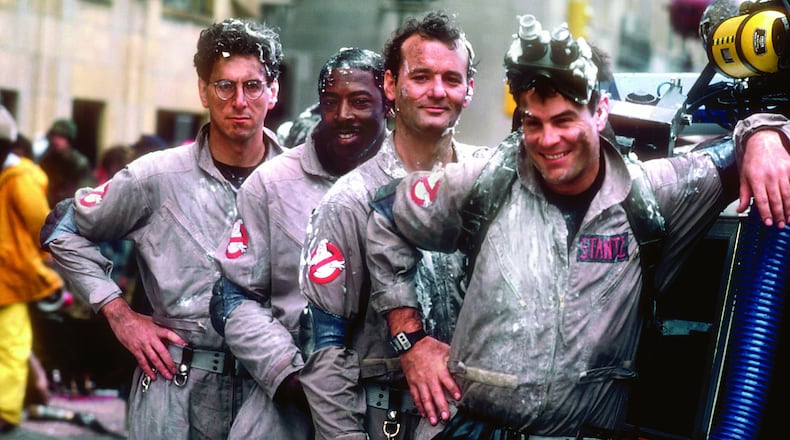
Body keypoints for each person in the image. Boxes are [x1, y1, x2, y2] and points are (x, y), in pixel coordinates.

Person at [364, 14, 790, 439]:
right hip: (470, 429)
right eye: (534, 123)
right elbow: (385, 215)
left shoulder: (653, 195)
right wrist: (411, 341)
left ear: (601, 112)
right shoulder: (484, 182)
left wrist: (762, 132)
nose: (548, 140)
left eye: (564, 120)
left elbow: (743, 151)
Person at [40, 18, 287, 439]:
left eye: (253, 86)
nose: (239, 101)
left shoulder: (297, 182)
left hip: (271, 397)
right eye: (224, 86)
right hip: (175, 390)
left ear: (274, 91)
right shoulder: (156, 176)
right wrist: (119, 314)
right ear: (203, 91)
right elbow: (62, 227)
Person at [298, 10, 488, 440]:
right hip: (387, 424)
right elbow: (324, 347)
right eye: (420, 76)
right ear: (390, 84)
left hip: (477, 423)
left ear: (469, 89)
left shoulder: (490, 181)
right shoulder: (350, 201)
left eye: (451, 79)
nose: (437, 91)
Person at [212, 46, 389, 438]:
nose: (343, 114)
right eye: (331, 101)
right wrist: (290, 375)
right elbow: (233, 296)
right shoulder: (271, 183)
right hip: (285, 408)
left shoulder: (413, 182)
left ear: (388, 102)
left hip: (381, 411)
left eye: (360, 101)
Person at [0, 105, 63, 432]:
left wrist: (54, 263)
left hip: (9, 278)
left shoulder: (19, 180)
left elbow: (42, 225)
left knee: (11, 345)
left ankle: (6, 412)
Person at [38, 118, 95, 208]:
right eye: (54, 136)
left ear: (69, 139)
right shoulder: (46, 160)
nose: (56, 141)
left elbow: (84, 192)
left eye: (61, 137)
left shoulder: (79, 163)